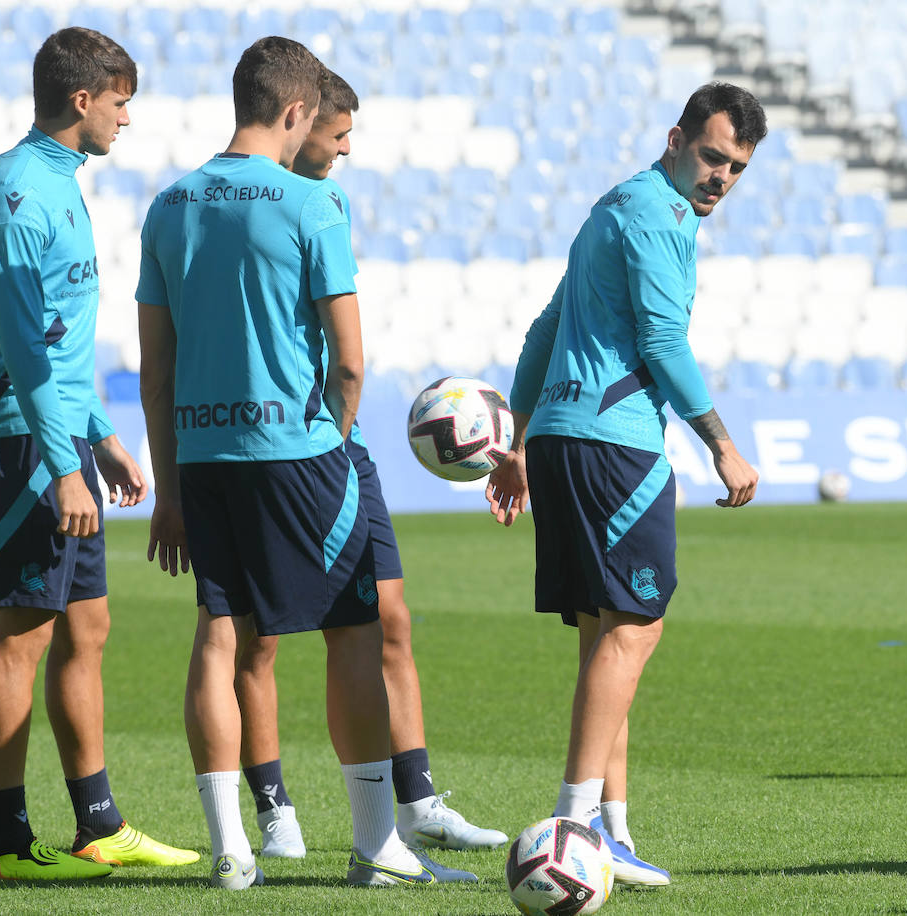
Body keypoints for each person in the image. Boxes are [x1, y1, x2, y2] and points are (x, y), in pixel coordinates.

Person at [135, 37, 471, 890]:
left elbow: (156, 368)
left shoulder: (169, 205)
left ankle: (230, 851)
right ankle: (375, 849)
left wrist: (168, 488)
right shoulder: (312, 204)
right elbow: (350, 361)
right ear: (296, 113)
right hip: (298, 450)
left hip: (203, 454)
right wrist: (336, 437)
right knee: (353, 630)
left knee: (218, 634)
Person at [486, 82, 766, 888]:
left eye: (736, 168)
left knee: (607, 636)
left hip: (568, 441)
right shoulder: (657, 216)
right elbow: (661, 340)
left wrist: (520, 438)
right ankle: (572, 829)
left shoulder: (618, 205)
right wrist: (721, 443)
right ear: (676, 138)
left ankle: (611, 831)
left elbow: (547, 328)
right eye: (712, 156)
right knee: (637, 628)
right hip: (616, 446)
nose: (720, 178)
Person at [230, 69, 506, 860]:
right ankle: (273, 806)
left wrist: (337, 431)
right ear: (300, 118)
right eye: (338, 134)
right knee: (258, 639)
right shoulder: (240, 204)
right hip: (268, 446)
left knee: (388, 618)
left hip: (335, 438)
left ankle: (416, 803)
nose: (347, 150)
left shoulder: (330, 203)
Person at [0, 26, 199, 881]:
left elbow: (66, 339)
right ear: (83, 100)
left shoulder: (61, 181)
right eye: (120, 103)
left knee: (89, 626)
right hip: (22, 445)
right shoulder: (19, 191)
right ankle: (6, 844)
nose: (126, 121)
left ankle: (98, 825)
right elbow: (25, 347)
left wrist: (102, 437)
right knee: (21, 638)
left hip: (65, 439)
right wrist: (62, 461)